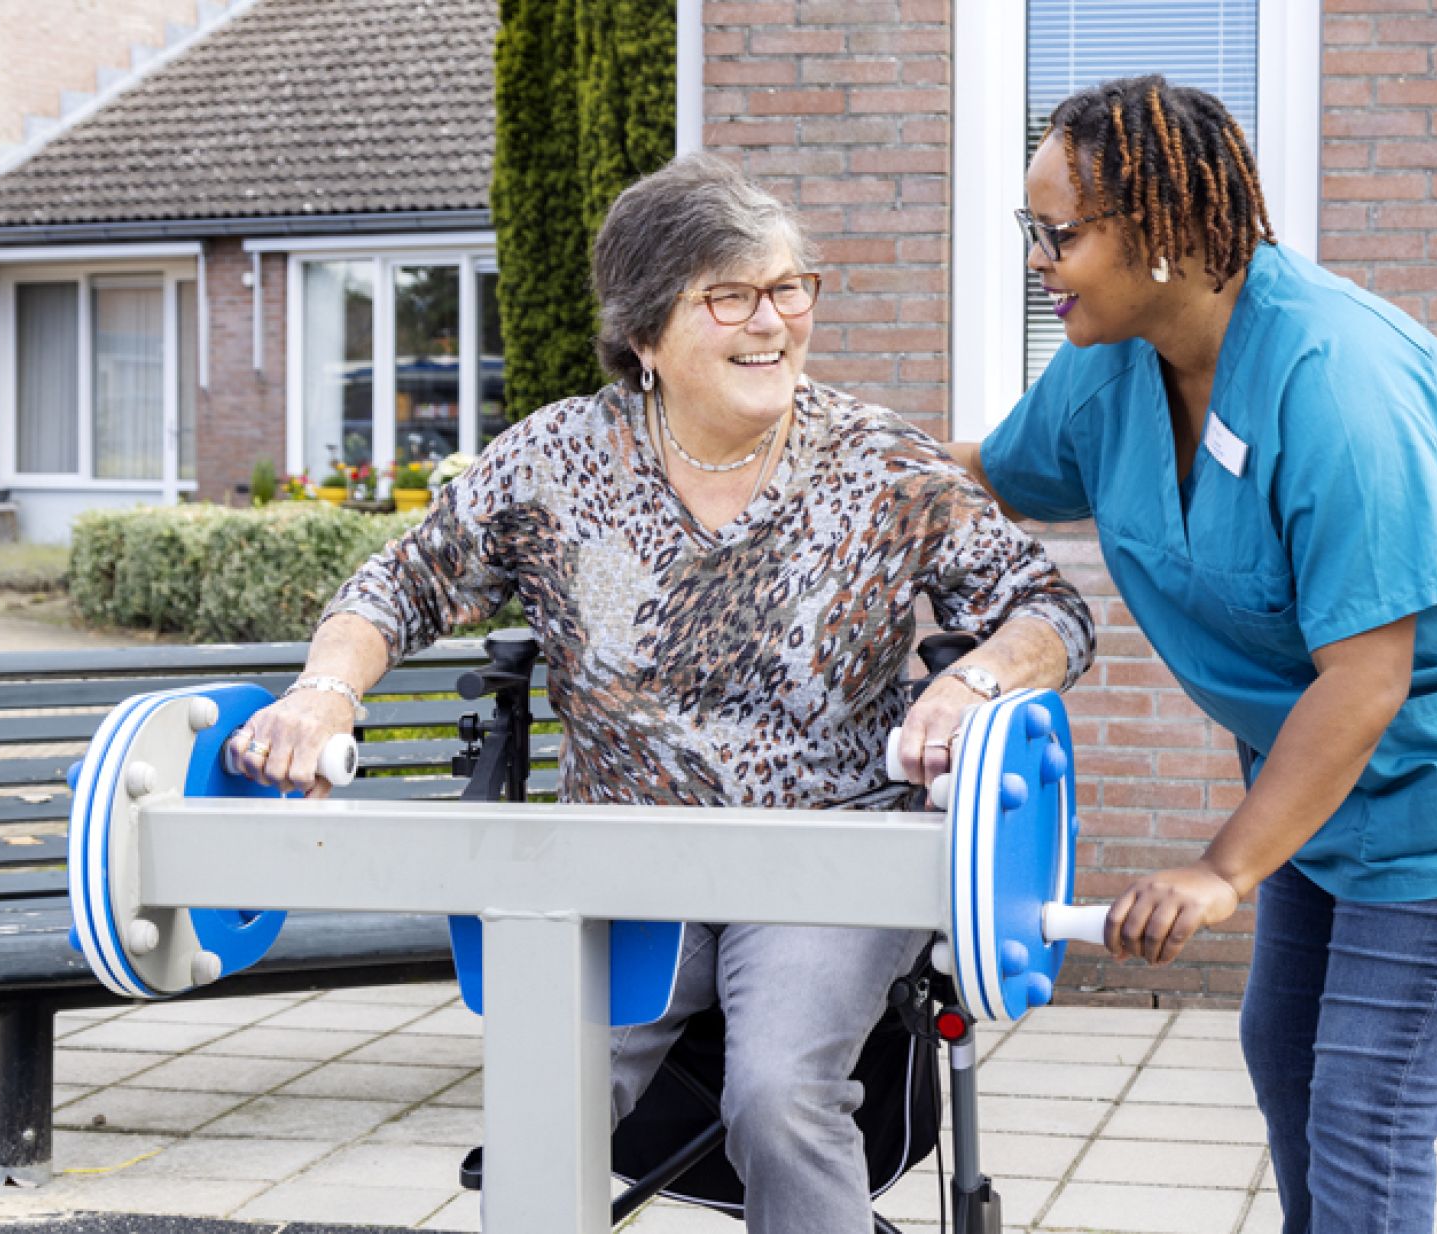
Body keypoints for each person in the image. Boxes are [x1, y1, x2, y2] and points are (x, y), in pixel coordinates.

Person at [227, 153, 1093, 1234]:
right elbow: (398, 584)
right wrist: (323, 693)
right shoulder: (556, 462)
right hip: (624, 857)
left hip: (824, 859)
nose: (771, 321)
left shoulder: (879, 463)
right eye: (730, 295)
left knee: (778, 1095)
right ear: (644, 334)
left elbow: (1049, 609)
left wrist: (974, 678)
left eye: (789, 288)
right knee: (546, 1090)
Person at [944, 77, 1437, 1234]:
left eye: (1061, 234)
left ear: (1163, 229)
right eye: (1029, 231)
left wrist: (1221, 871)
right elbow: (989, 474)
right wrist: (817, 453)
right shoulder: (1112, 362)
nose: (1039, 261)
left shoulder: (1338, 379)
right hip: (1334, 758)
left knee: (1367, 1101)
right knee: (1286, 1049)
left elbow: (1369, 675)